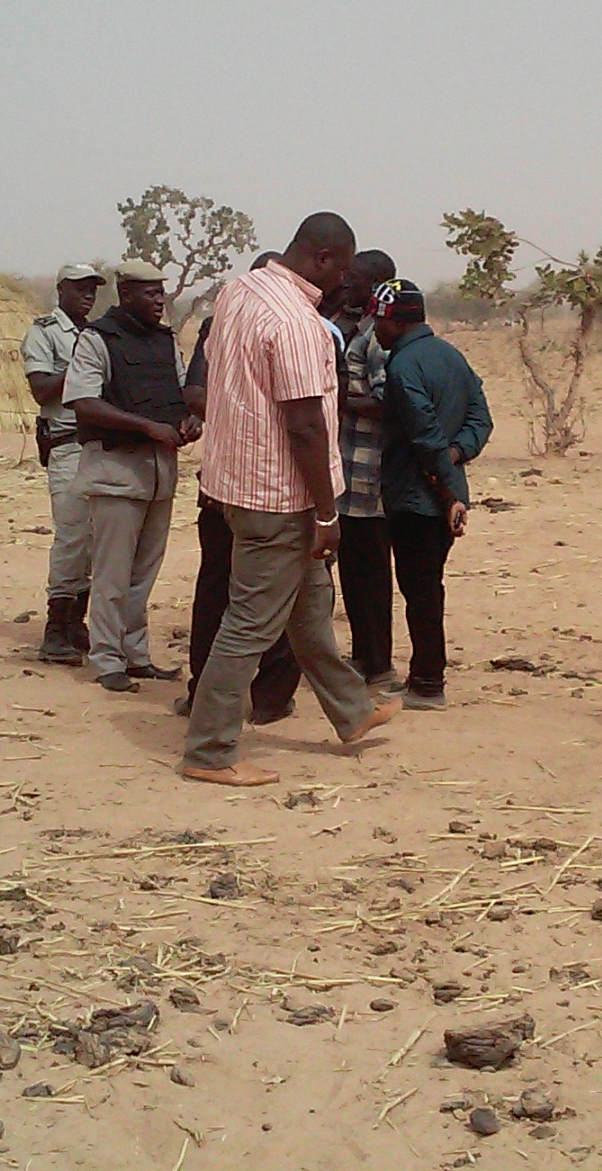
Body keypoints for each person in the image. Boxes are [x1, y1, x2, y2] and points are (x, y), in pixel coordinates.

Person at [180, 213, 401, 787]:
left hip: (236, 482)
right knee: (250, 624)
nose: (345, 283)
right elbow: (305, 424)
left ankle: (352, 710)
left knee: (309, 606)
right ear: (323, 259)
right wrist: (327, 512)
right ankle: (210, 749)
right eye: (343, 271)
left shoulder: (239, 291)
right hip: (278, 496)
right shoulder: (297, 323)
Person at [63, 260, 198, 693]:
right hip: (116, 474)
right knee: (112, 575)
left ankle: (135, 655)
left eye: (161, 292)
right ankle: (106, 659)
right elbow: (84, 402)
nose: (160, 301)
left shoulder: (164, 341)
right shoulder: (97, 339)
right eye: (150, 293)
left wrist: (190, 420)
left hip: (159, 474)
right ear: (126, 294)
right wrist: (147, 427)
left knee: (143, 576)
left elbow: (180, 392)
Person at [178, 263, 302, 724]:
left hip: (232, 483)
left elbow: (197, 394)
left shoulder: (235, 325)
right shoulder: (282, 326)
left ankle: (261, 696)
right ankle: (224, 702)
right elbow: (195, 393)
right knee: (243, 597)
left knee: (262, 596)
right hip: (257, 487)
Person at [371, 278, 492, 709]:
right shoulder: (451, 356)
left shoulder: (403, 368)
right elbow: (481, 420)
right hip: (443, 490)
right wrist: (456, 457)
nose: (374, 329)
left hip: (417, 496)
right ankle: (423, 675)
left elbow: (424, 437)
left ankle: (427, 682)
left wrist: (446, 484)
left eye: (379, 320)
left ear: (397, 321)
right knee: (427, 586)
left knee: (420, 590)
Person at [26, 265, 103, 664]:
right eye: (79, 289)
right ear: (61, 290)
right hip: (66, 443)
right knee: (72, 534)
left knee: (94, 537)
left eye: (92, 290)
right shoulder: (44, 332)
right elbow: (41, 390)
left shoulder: (95, 333)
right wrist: (82, 365)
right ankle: (55, 627)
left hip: (97, 443)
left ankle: (76, 621)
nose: (87, 296)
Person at [335, 250, 399, 686]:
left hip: (369, 474)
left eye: (354, 277)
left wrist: (336, 398)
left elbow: (387, 402)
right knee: (356, 573)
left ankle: (377, 663)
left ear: (375, 284)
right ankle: (365, 657)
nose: (346, 282)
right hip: (353, 473)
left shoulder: (377, 338)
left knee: (370, 575)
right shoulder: (360, 328)